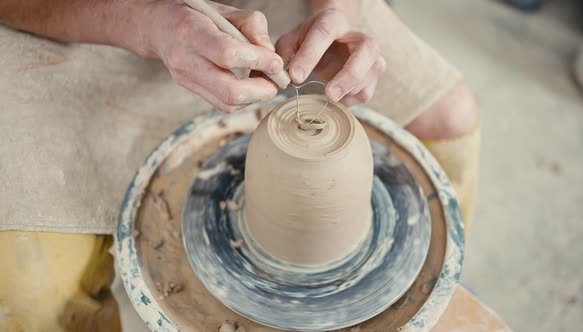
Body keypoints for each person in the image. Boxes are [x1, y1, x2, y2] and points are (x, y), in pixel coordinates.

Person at [0, 0, 479, 330]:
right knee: (29, 286)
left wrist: (337, 12)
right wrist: (147, 22)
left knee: (451, 116)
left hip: (273, 19)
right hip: (82, 25)